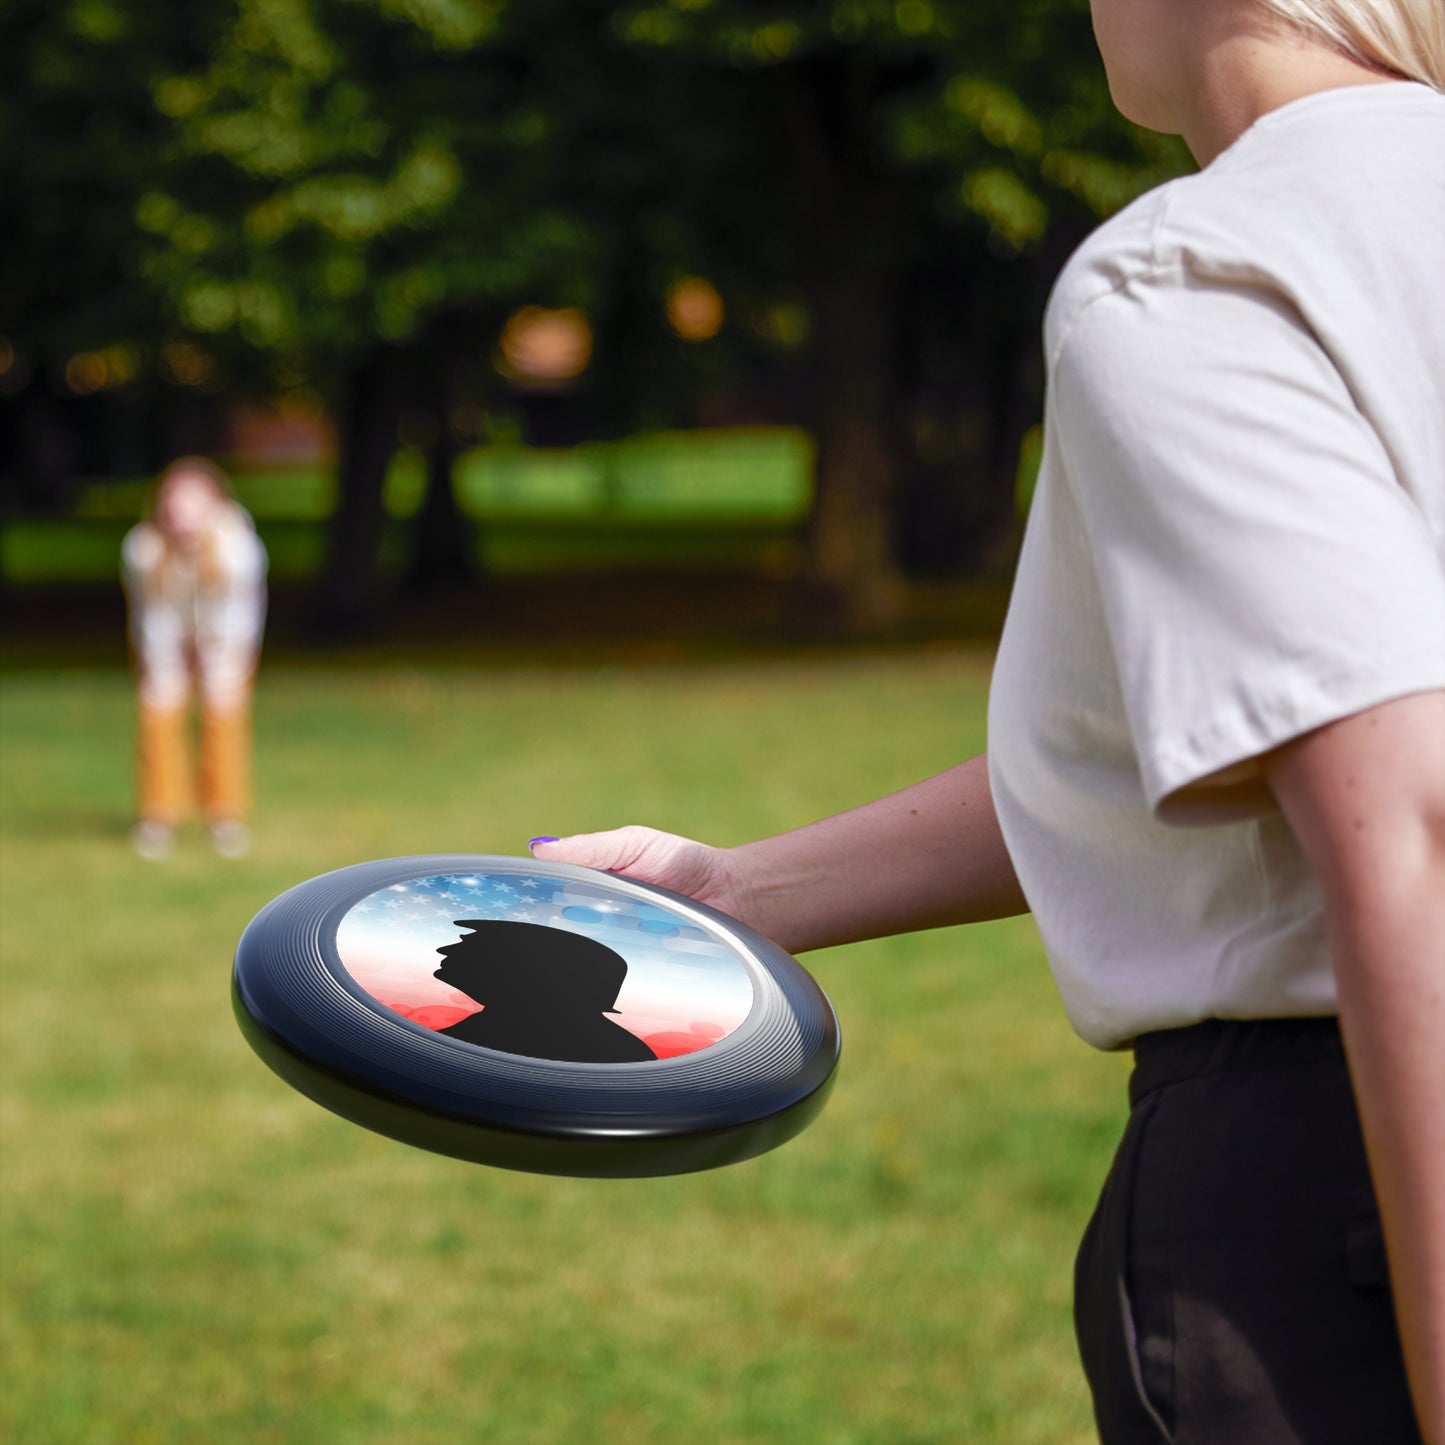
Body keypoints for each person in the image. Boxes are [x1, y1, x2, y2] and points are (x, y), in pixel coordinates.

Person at [527, 2, 1445, 1440]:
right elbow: (1219, 738)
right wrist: (737, 891)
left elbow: (1410, 822)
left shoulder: (1204, 270)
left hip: (1342, 1192)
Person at [121, 457, 268, 860]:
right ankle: (158, 816)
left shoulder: (239, 549)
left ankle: (225, 818)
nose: (182, 517)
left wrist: (215, 659)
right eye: (174, 506)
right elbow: (152, 616)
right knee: (158, 712)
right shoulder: (143, 549)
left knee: (223, 717)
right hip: (165, 640)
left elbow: (239, 616)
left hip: (226, 641)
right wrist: (168, 664)